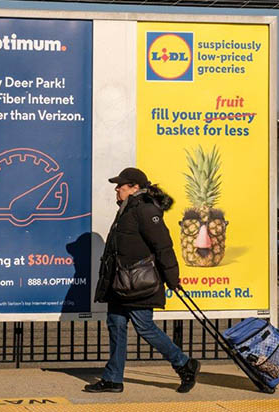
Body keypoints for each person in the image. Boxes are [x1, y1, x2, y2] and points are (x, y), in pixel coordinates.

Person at [85, 167, 200, 394]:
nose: (117, 189)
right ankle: (113, 379)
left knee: (144, 326)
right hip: (120, 284)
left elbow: (163, 246)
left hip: (138, 284)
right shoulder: (127, 210)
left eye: (121, 186)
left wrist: (172, 278)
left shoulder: (145, 211)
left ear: (135, 188)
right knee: (116, 325)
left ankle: (184, 364)